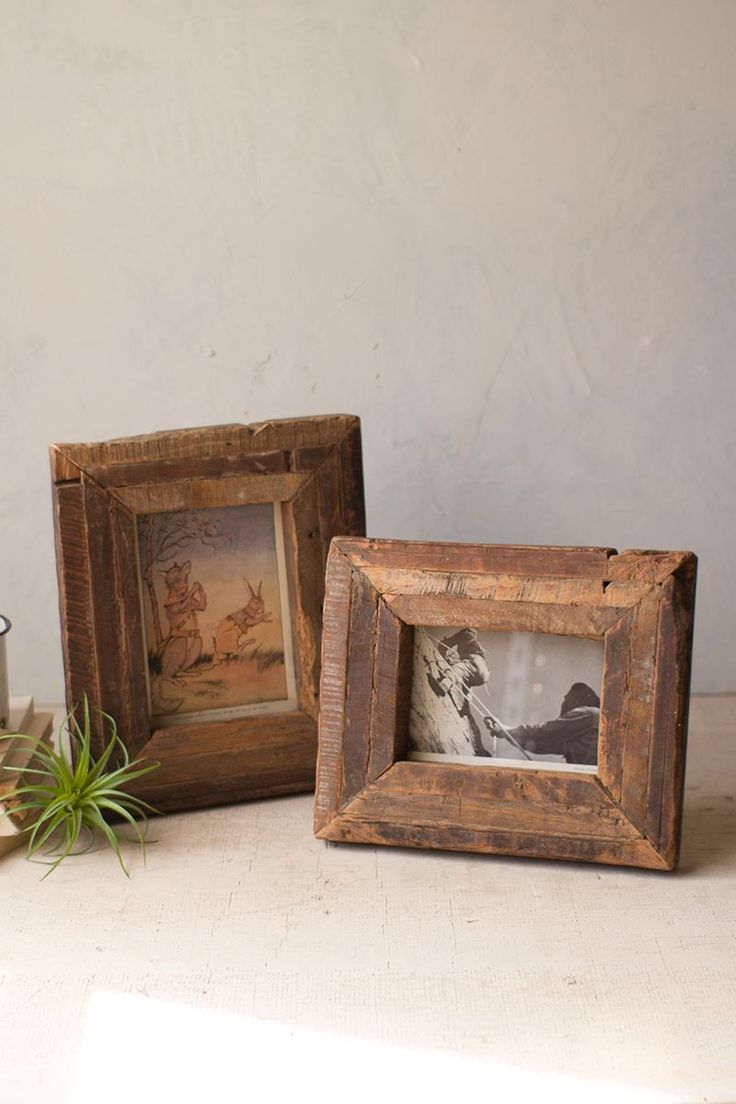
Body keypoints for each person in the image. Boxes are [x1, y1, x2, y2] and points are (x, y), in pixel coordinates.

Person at [484, 682, 600, 766]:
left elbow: (545, 731)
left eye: (567, 703)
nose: (565, 707)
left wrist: (507, 730)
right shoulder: (583, 736)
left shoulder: (590, 714)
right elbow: (539, 744)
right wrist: (504, 732)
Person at [427, 628, 491, 756]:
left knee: (456, 671)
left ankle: (444, 686)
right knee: (466, 708)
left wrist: (443, 652)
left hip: (473, 664)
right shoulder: (474, 643)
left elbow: (444, 646)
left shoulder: (465, 634)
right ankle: (480, 748)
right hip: (483, 673)